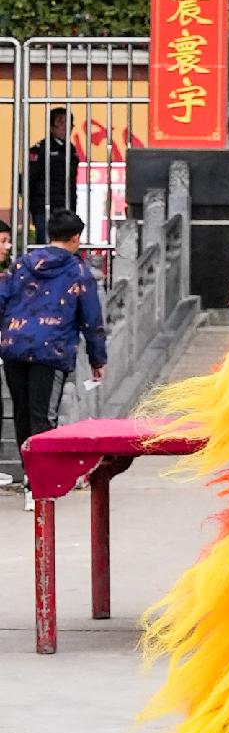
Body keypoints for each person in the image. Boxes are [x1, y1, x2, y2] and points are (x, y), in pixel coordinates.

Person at [0, 209, 106, 509]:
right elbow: (92, 319)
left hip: (14, 346)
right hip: (51, 349)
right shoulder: (78, 271)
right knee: (43, 417)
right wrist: (98, 358)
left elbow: (2, 299)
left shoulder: (22, 264)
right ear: (76, 237)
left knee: (22, 414)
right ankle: (38, 485)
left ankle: (29, 479)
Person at [24, 107, 80, 244]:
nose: (65, 127)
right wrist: (33, 207)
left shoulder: (70, 149)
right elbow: (29, 179)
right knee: (46, 244)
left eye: (68, 123)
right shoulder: (41, 148)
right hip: (45, 207)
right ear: (51, 126)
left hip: (66, 206)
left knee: (65, 244)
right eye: (60, 122)